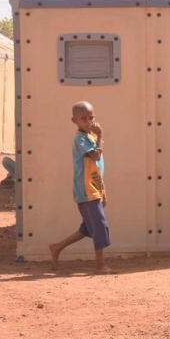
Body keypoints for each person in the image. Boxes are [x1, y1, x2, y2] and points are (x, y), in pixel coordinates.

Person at [48, 101, 113, 274]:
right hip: (86, 190)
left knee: (88, 228)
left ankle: (57, 247)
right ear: (74, 121)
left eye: (91, 117)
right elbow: (96, 156)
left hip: (94, 188)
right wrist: (101, 136)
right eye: (83, 118)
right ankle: (100, 265)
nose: (88, 121)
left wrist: (102, 190)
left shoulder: (89, 137)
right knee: (99, 225)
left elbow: (96, 168)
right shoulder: (81, 139)